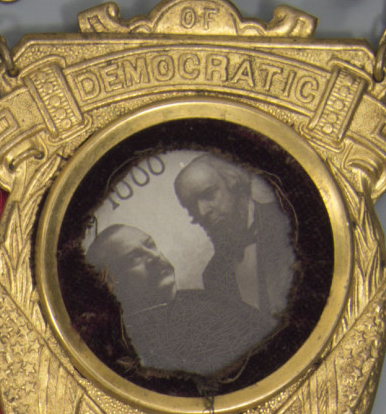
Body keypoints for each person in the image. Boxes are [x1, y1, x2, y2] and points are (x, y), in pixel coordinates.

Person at [84, 224, 271, 376]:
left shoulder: (206, 299)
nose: (155, 257)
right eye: (135, 258)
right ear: (109, 282)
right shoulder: (123, 345)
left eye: (150, 245)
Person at [174, 153, 297, 320]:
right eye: (191, 206)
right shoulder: (213, 275)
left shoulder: (289, 223)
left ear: (234, 183)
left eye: (208, 194)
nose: (202, 212)